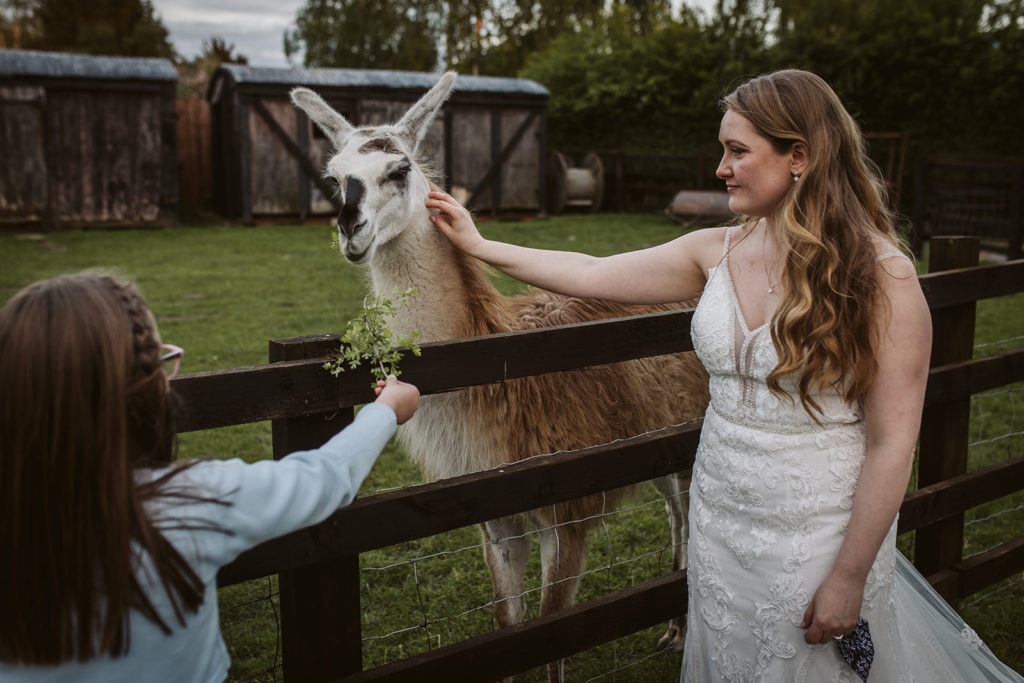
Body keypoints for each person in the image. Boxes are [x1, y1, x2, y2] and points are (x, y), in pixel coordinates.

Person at [426, 70, 1022, 681]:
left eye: (737, 151)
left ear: (800, 156)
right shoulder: (717, 251)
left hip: (817, 532)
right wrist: (480, 244)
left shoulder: (884, 279)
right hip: (719, 519)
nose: (721, 168)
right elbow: (590, 270)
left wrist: (848, 576)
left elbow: (893, 442)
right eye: (724, 150)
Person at [0, 273, 419, 681]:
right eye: (161, 364)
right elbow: (321, 480)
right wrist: (385, 412)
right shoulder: (192, 502)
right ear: (138, 393)